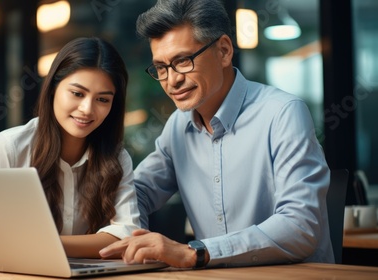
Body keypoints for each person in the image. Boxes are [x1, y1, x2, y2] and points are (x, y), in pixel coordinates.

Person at [99, 0, 332, 268]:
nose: (172, 80)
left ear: (223, 51)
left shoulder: (282, 113)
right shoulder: (178, 126)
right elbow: (136, 194)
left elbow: (299, 228)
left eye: (183, 61)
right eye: (161, 68)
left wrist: (195, 252)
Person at [0, 37, 140, 258]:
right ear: (53, 88)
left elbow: (127, 235)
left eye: (102, 100)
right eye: (77, 93)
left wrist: (37, 244)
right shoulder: (11, 146)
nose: (87, 109)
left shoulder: (117, 158)